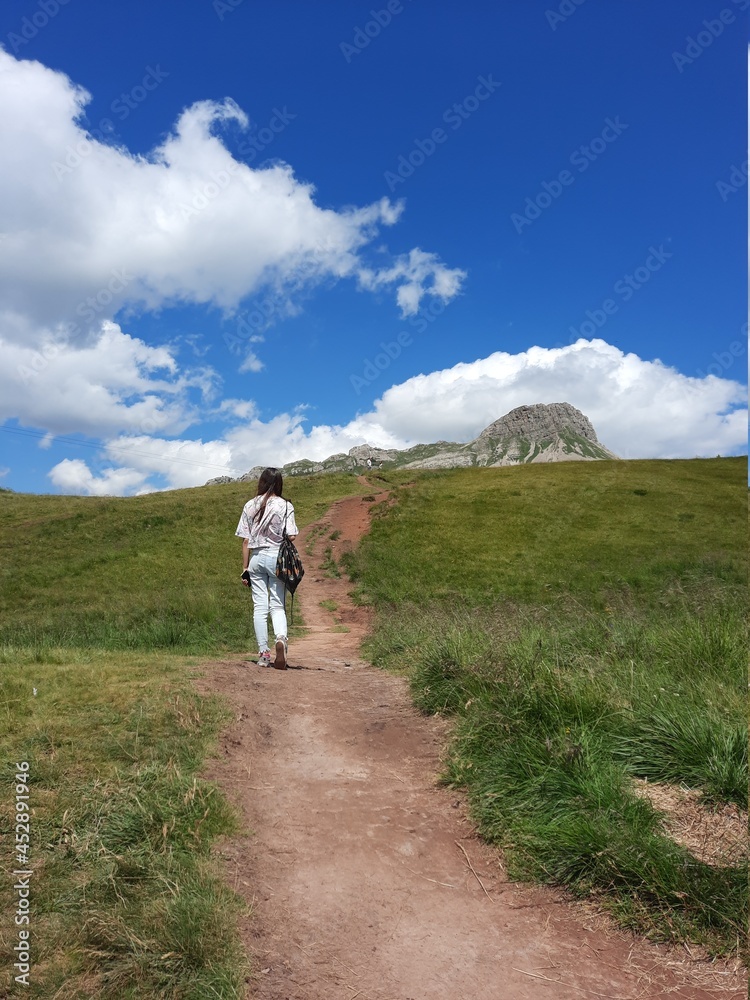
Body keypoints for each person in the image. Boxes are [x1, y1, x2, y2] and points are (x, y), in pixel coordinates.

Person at [236, 467, 299, 669]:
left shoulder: (249, 505)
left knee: (259, 607)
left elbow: (245, 540)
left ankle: (263, 654)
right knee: (277, 605)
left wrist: (245, 568)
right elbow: (292, 535)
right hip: (277, 557)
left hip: (255, 558)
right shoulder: (286, 506)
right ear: (279, 483)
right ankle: (281, 639)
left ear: (261, 482)